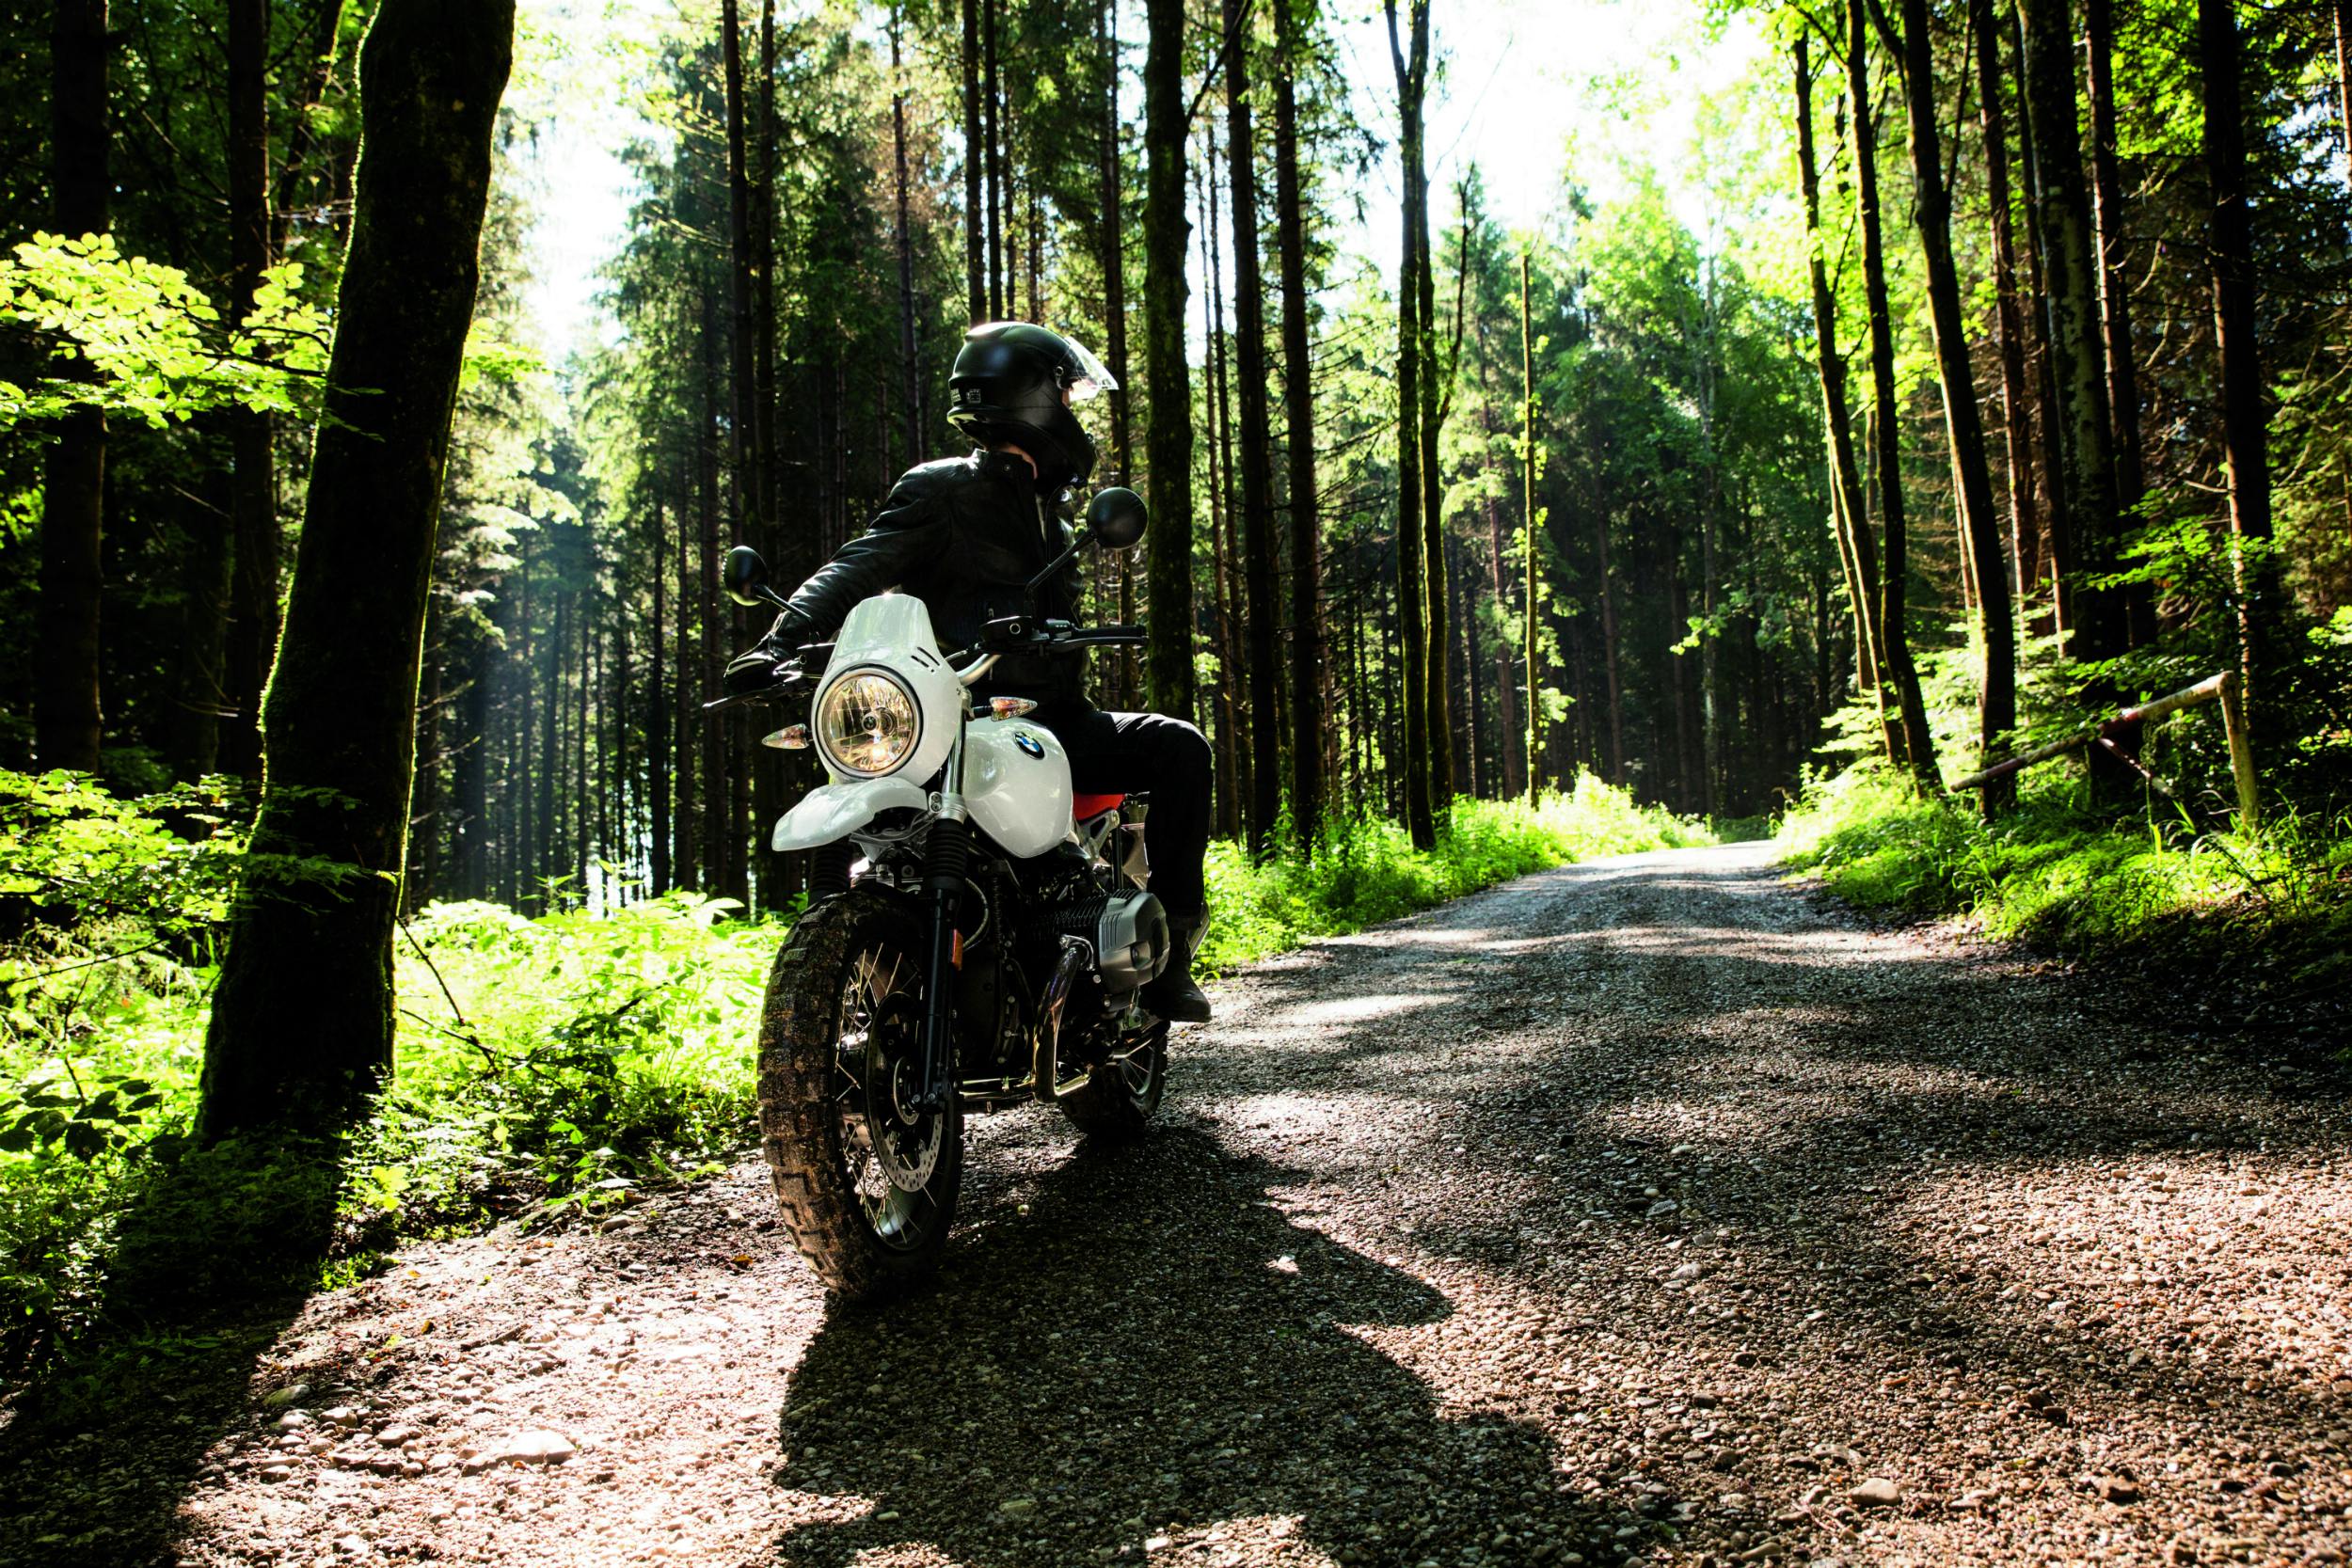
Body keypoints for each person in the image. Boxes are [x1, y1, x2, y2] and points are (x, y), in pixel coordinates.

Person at [723, 322, 1214, 1023]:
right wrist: (785, 636)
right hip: (951, 721)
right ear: (1035, 398)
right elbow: (858, 565)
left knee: (1180, 746)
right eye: (1065, 398)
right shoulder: (942, 489)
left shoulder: (1053, 514)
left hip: (1055, 725)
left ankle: (1171, 949)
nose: (1071, 416)